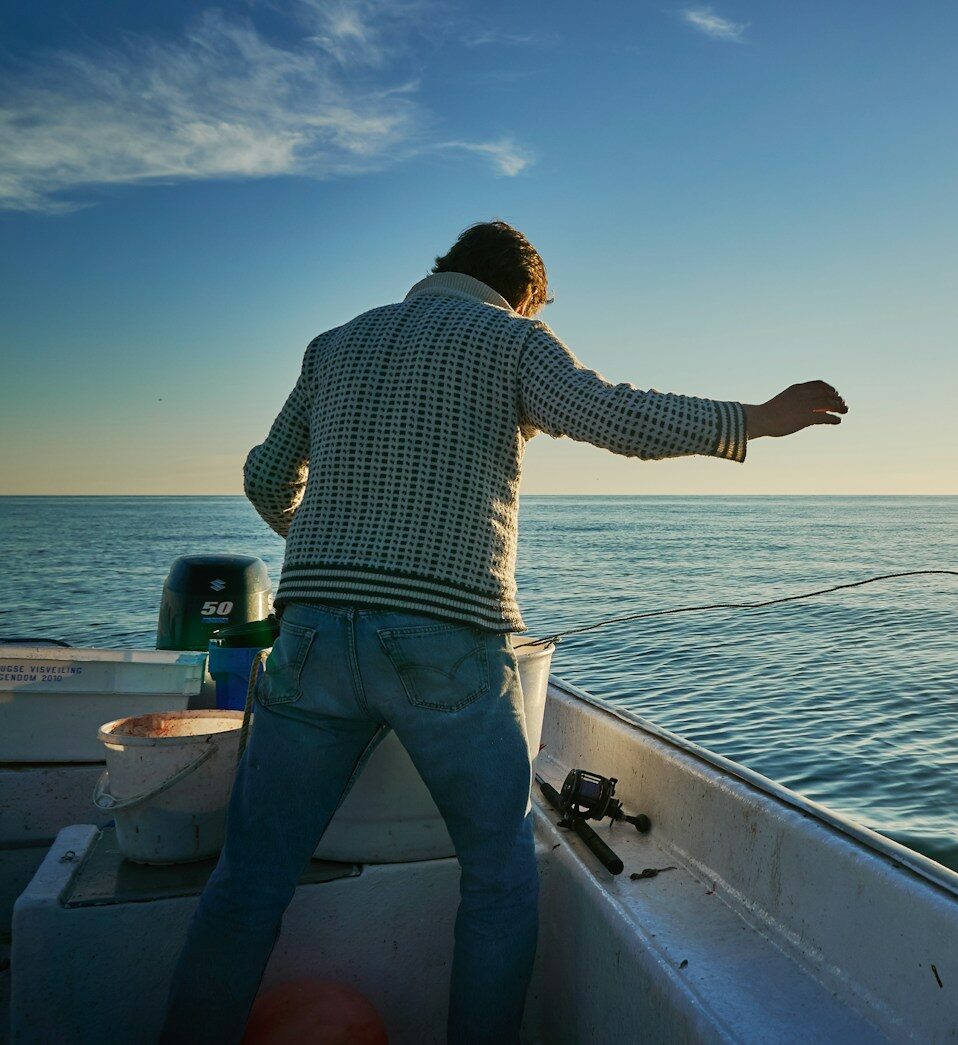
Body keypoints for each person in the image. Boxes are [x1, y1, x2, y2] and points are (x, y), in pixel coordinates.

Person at [159, 220, 847, 1043]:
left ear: (444, 268)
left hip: (307, 640)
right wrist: (753, 419)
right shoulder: (513, 339)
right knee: (498, 880)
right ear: (525, 294)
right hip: (445, 644)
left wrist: (327, 551)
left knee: (247, 884)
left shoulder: (333, 344)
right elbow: (612, 416)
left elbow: (267, 475)